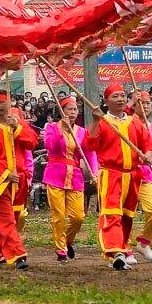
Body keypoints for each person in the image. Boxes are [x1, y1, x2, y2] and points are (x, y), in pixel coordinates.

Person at [83, 83, 152, 270]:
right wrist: (96, 121)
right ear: (106, 101)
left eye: (123, 95)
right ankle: (115, 252)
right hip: (110, 174)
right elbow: (89, 145)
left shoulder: (135, 122)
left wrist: (148, 155)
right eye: (115, 96)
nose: (121, 99)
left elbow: (148, 145)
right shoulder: (103, 121)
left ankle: (123, 247)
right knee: (111, 214)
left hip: (133, 175)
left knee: (127, 216)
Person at [0, 89, 38, 269]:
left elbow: (32, 143)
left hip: (19, 179)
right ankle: (18, 255)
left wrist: (17, 128)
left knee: (9, 221)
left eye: (1, 102)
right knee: (7, 219)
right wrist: (4, 173)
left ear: (8, 103)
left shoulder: (18, 123)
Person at [42, 96, 93, 262]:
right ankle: (61, 249)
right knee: (59, 215)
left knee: (78, 216)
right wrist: (61, 129)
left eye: (75, 109)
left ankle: (67, 240)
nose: (73, 112)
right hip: (55, 174)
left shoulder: (81, 131)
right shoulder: (51, 127)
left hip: (75, 176)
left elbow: (88, 152)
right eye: (69, 109)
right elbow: (51, 146)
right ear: (62, 111)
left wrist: (94, 171)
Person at [128, 91, 152, 265]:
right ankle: (124, 248)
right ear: (134, 105)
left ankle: (144, 242)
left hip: (146, 174)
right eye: (141, 103)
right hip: (127, 174)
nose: (146, 106)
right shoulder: (126, 123)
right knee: (125, 213)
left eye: (149, 103)